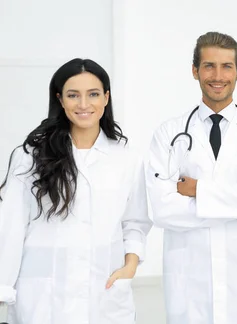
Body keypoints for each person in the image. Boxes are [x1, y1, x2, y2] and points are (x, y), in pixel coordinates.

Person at [0, 58, 152, 324]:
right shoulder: (30, 157)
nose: (84, 104)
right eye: (73, 95)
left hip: (104, 297)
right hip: (42, 300)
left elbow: (135, 222)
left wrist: (129, 267)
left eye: (93, 94)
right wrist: (3, 287)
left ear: (106, 98)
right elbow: (10, 227)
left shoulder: (127, 158)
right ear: (60, 99)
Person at [145, 31, 237, 324]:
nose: (217, 75)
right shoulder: (169, 134)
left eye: (226, 66)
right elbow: (163, 210)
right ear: (195, 71)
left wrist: (198, 190)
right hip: (188, 281)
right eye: (208, 66)